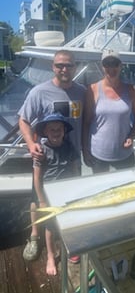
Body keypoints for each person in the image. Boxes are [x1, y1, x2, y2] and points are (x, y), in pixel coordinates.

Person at [18, 49, 85, 263]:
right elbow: (23, 120)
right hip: (46, 157)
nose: (64, 69)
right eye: (59, 65)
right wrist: (31, 144)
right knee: (37, 200)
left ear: (75, 67)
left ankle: (67, 239)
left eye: (68, 65)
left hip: (72, 156)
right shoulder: (39, 91)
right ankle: (35, 236)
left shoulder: (82, 92)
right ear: (52, 67)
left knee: (70, 201)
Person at [31, 113, 80, 275]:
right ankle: (51, 256)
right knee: (50, 227)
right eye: (52, 129)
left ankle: (70, 248)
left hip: (67, 192)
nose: (56, 132)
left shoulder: (70, 147)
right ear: (45, 131)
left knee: (69, 222)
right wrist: (42, 200)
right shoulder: (41, 150)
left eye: (59, 129)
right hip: (49, 195)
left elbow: (75, 171)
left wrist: (76, 190)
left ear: (64, 130)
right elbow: (37, 178)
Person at [83, 50, 135, 173]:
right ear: (102, 66)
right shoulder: (92, 89)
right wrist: (85, 149)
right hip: (98, 153)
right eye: (107, 64)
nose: (111, 68)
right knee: (102, 189)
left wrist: (132, 136)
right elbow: (86, 122)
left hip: (125, 154)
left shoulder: (131, 90)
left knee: (128, 188)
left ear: (121, 66)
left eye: (114, 64)